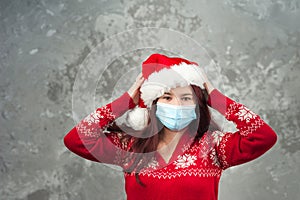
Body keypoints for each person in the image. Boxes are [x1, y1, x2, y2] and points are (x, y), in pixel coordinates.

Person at [64, 53, 277, 200]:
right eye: (167, 97)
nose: (177, 105)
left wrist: (215, 97)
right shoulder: (130, 147)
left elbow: (263, 137)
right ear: (153, 104)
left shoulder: (213, 146)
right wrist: (127, 100)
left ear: (197, 104)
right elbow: (76, 139)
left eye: (186, 98)